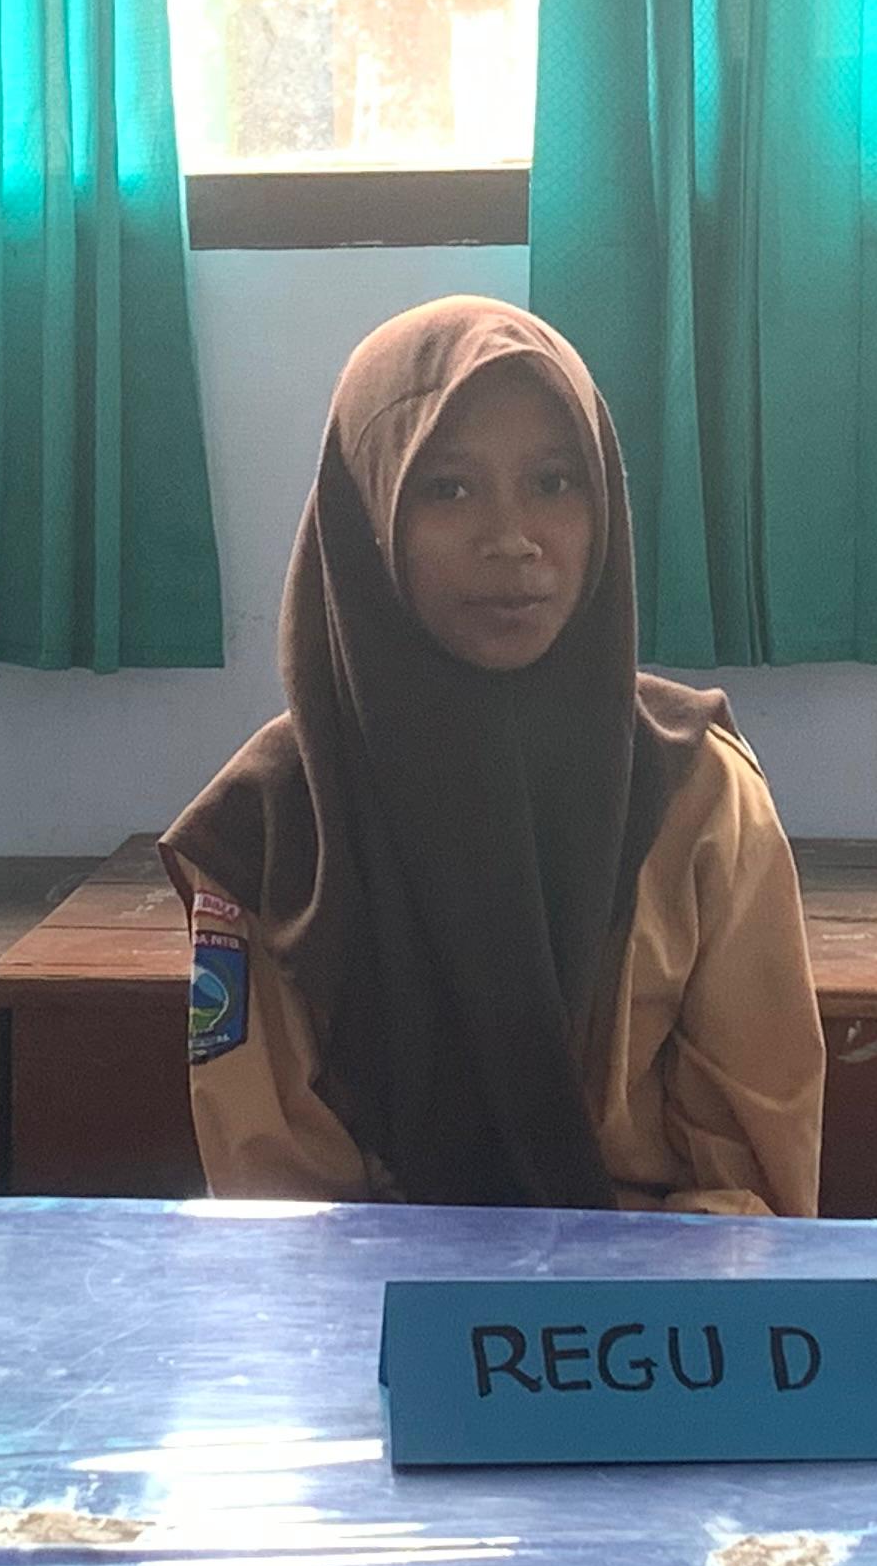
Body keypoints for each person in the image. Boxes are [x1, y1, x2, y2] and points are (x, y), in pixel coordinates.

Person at [163, 297, 823, 1214]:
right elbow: (277, 1209)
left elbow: (751, 1186)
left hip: (655, 1293)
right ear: (368, 513)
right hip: (368, 1293)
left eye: (554, 482)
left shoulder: (698, 793)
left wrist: (599, 1298)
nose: (511, 541)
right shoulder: (269, 831)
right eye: (448, 489)